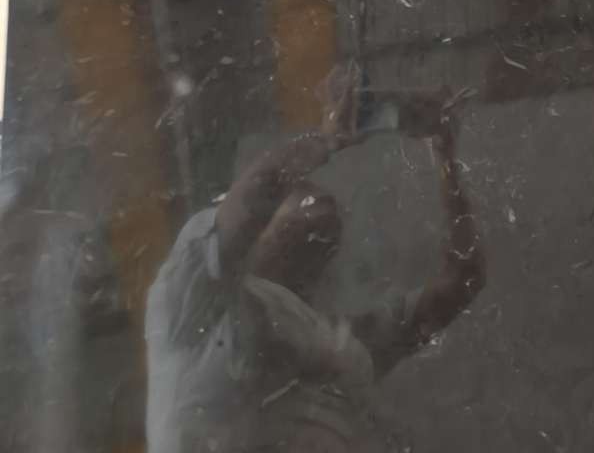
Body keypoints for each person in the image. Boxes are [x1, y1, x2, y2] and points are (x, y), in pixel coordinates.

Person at [144, 70, 485, 452]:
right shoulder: (191, 303)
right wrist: (327, 139)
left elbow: (463, 281)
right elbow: (256, 192)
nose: (318, 208)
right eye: (300, 201)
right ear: (259, 231)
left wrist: (445, 155)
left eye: (327, 228)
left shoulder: (334, 343)